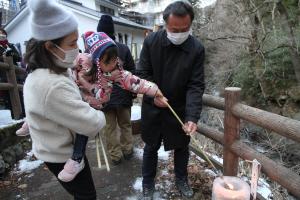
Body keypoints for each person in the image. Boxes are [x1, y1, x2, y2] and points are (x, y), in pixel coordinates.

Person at [24, 0, 106, 199]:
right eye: (71, 43)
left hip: (51, 144)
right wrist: (98, 113)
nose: (76, 49)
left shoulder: (41, 71)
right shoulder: (52, 85)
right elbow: (91, 122)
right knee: (87, 196)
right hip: (61, 154)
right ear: (50, 47)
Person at [58, 31, 165, 182]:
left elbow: (134, 81)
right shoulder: (82, 64)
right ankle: (75, 157)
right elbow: (65, 69)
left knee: (116, 125)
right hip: (75, 97)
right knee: (99, 128)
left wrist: (154, 90)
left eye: (115, 60)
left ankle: (123, 152)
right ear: (96, 61)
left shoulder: (115, 71)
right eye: (108, 62)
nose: (113, 64)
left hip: (98, 100)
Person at [137, 1, 205, 199]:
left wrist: (192, 117)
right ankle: (147, 183)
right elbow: (142, 73)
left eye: (184, 29)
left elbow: (196, 85)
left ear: (190, 25)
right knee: (150, 147)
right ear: (165, 24)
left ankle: (181, 180)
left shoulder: (197, 48)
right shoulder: (151, 42)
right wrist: (153, 94)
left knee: (182, 147)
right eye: (174, 29)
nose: (179, 33)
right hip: (153, 104)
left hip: (179, 107)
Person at [97, 15, 136, 165]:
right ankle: (127, 150)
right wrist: (132, 91)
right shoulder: (123, 48)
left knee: (110, 128)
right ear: (113, 31)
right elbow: (132, 71)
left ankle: (115, 156)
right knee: (125, 124)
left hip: (105, 96)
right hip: (124, 94)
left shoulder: (95, 51)